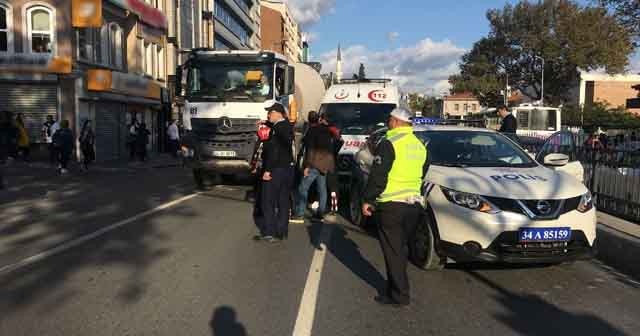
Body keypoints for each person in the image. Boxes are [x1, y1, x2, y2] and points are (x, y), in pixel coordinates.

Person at [362, 108, 428, 307]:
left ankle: (399, 295)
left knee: (393, 252)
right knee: (400, 249)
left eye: (390, 119)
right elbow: (424, 170)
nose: (388, 122)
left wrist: (368, 200)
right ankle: (394, 289)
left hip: (392, 205)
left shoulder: (390, 143)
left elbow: (378, 175)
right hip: (414, 205)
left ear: (398, 121)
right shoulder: (419, 145)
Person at [256, 100, 294, 243]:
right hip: (288, 169)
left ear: (278, 113)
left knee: (268, 201)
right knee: (284, 201)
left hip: (275, 169)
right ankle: (282, 231)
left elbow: (273, 152)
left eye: (270, 113)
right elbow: (276, 125)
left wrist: (267, 170)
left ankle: (270, 232)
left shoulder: (277, 130)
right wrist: (265, 122)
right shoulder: (286, 126)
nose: (268, 115)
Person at [291, 111, 336, 223]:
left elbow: (310, 150)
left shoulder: (313, 131)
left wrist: (307, 166)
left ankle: (300, 213)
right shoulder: (329, 131)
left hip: (315, 163)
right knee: (322, 189)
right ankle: (320, 214)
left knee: (302, 187)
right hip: (326, 164)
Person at [0, 111, 19, 189]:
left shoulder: (13, 128)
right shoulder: (13, 128)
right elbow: (14, 141)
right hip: (5, 149)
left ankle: (0, 183)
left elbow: (14, 140)